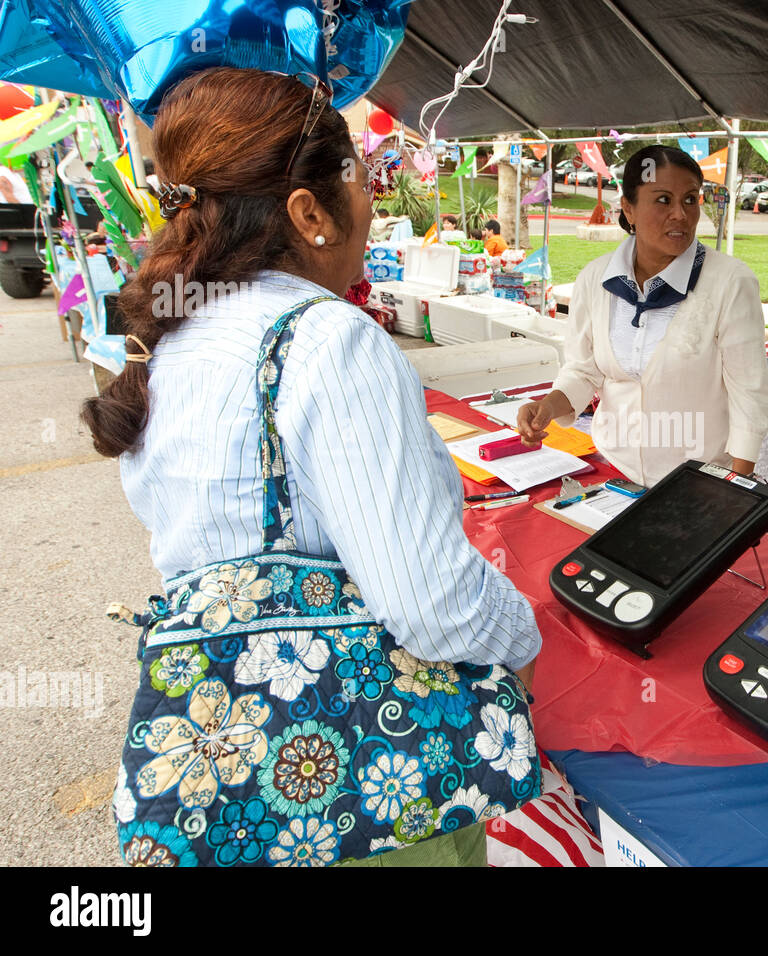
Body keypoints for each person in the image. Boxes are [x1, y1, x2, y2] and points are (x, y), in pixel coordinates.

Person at [80, 68, 542, 866]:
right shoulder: (328, 339)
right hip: (372, 796)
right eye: (359, 179)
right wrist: (524, 641)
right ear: (307, 213)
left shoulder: (176, 334)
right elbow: (432, 604)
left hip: (233, 778)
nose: (372, 203)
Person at [516, 144, 768, 486]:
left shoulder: (730, 282)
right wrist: (547, 406)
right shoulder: (596, 279)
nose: (680, 213)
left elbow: (749, 394)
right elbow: (583, 370)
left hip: (700, 479)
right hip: (614, 470)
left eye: (691, 199)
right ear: (629, 209)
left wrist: (735, 485)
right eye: (663, 199)